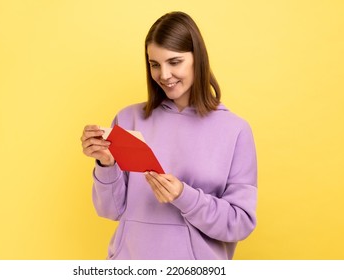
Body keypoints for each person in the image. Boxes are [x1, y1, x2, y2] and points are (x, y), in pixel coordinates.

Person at [81, 11, 257, 260]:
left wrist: (184, 197)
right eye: (155, 64)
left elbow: (240, 223)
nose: (163, 75)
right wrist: (106, 164)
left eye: (174, 62)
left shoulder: (235, 130)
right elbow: (110, 210)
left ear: (199, 59)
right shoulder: (128, 119)